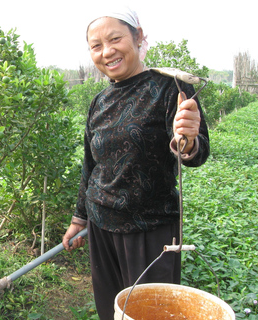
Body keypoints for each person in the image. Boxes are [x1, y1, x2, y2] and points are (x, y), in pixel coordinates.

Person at [62, 5, 210, 320]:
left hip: (151, 231)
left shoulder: (171, 87)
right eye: (96, 46)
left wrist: (188, 138)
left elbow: (196, 153)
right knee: (112, 311)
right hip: (102, 227)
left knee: (152, 314)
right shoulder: (99, 102)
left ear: (138, 37)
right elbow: (91, 166)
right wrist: (80, 219)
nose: (107, 52)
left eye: (115, 39)